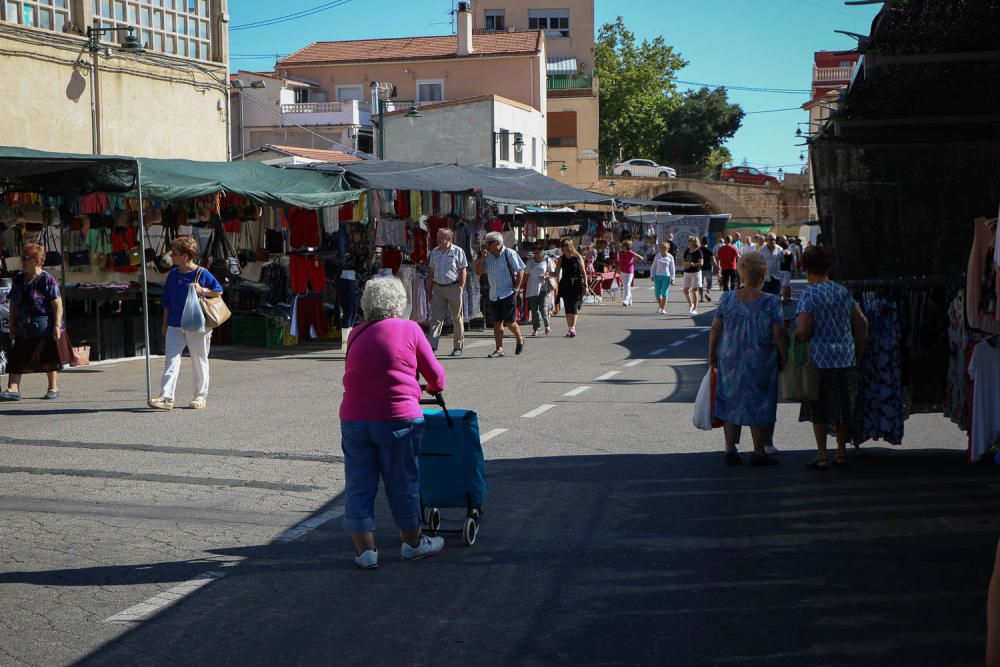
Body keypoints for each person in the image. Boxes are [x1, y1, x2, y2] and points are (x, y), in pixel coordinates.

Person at [340, 276, 446, 569]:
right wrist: (430, 389)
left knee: (359, 483)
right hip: (398, 417)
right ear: (399, 304)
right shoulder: (410, 329)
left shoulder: (356, 333)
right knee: (402, 482)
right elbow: (436, 377)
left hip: (354, 417)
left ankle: (365, 552)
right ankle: (413, 543)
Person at [708, 252, 787, 466]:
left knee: (731, 400)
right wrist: (784, 355)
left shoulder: (727, 298)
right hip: (761, 357)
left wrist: (712, 354)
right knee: (760, 402)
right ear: (763, 274)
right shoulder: (771, 301)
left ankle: (730, 448)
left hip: (731, 357)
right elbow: (778, 332)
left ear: (741, 272)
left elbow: (715, 328)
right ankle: (759, 451)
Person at [795, 245, 869, 470]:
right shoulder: (842, 291)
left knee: (819, 408)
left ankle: (822, 454)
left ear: (806, 267)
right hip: (845, 356)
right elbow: (862, 323)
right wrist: (858, 352)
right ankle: (841, 452)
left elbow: (803, 330)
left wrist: (797, 335)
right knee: (843, 406)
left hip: (820, 358)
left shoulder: (809, 294)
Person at [148, 236, 224, 411]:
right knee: (171, 359)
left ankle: (200, 396)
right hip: (175, 323)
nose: (171, 256)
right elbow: (167, 301)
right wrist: (165, 323)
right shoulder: (173, 274)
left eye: (174, 253)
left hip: (198, 325)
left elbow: (218, 291)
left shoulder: (202, 273)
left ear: (185, 256)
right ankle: (166, 396)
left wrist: (202, 290)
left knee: (199, 359)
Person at [0, 243, 67, 401]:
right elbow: (13, 304)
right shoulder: (19, 279)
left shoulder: (47, 279)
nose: (22, 261)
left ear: (37, 260)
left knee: (48, 356)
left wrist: (57, 326)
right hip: (23, 326)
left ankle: (53, 387)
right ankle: (13, 389)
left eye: (26, 258)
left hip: (44, 326)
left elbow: (57, 304)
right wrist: (11, 325)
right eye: (22, 258)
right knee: (17, 358)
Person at [475, 231, 526, 358]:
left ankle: (520, 338)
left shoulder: (509, 253)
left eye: (489, 243)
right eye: (486, 243)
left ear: (497, 243)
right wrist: (481, 259)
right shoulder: (488, 256)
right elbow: (479, 272)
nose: (486, 246)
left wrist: (516, 288)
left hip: (508, 292)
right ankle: (499, 348)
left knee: (510, 322)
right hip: (494, 294)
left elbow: (520, 271)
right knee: (497, 322)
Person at [426, 228, 468, 357]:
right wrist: (429, 290)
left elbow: (463, 270)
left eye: (441, 237)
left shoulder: (458, 251)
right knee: (436, 319)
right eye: (438, 237)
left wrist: (460, 287)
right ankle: (432, 347)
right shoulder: (434, 252)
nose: (438, 239)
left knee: (457, 318)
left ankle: (458, 347)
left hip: (453, 287)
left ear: (449, 239)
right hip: (438, 288)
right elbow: (431, 272)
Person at [556, 239, 589, 337]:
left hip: (576, 283)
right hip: (565, 283)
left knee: (574, 305)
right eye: (562, 246)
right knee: (567, 306)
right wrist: (548, 274)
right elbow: (556, 272)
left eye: (565, 246)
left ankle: (573, 328)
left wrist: (586, 285)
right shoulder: (561, 259)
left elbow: (583, 273)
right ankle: (570, 328)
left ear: (570, 246)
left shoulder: (577, 257)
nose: (563, 248)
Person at [525, 243, 555, 336]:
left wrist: (546, 275)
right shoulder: (529, 262)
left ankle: (547, 325)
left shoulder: (547, 260)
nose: (536, 251)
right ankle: (536, 328)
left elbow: (554, 273)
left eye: (539, 249)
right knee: (534, 310)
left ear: (543, 250)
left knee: (543, 308)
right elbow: (525, 275)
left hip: (544, 287)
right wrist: (519, 287)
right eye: (534, 249)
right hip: (532, 288)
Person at [650, 242, 676, 314]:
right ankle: (660, 306)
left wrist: (673, 278)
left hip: (666, 276)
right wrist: (652, 275)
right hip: (657, 276)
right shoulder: (657, 256)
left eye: (664, 248)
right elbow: (653, 266)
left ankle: (663, 309)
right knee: (657, 294)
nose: (662, 249)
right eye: (661, 248)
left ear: (667, 249)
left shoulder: (670, 257)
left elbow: (672, 268)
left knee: (664, 293)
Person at [616, 240, 643, 307]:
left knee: (627, 285)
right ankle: (630, 300)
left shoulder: (630, 252)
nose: (623, 247)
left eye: (624, 246)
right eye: (622, 246)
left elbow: (641, 258)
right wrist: (617, 270)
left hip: (629, 272)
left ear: (627, 247)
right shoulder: (620, 253)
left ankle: (626, 300)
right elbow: (619, 262)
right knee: (625, 287)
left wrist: (633, 261)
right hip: (622, 271)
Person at [682, 236, 704, 315]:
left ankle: (695, 308)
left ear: (695, 242)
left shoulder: (699, 251)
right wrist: (685, 264)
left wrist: (693, 264)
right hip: (687, 272)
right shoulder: (687, 251)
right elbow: (683, 261)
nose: (689, 242)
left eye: (690, 240)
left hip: (696, 272)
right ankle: (690, 304)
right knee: (685, 290)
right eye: (688, 240)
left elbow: (701, 263)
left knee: (694, 291)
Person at [699, 236, 717, 303]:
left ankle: (701, 298)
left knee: (700, 283)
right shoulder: (710, 250)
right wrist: (716, 267)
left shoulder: (699, 250)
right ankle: (707, 293)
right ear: (707, 243)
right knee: (709, 283)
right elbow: (713, 260)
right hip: (708, 268)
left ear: (701, 242)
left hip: (700, 269)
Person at [778, 236, 795, 304]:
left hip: (780, 269)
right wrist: (794, 270)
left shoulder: (779, 252)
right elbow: (793, 262)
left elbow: (777, 261)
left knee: (783, 285)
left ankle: (785, 298)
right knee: (786, 285)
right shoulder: (789, 252)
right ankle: (786, 298)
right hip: (787, 270)